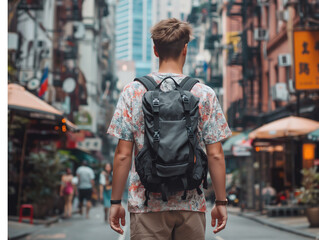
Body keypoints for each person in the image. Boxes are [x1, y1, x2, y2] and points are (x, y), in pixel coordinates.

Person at [107, 18, 231, 239]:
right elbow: (216, 154)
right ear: (185, 49)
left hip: (146, 205)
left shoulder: (132, 92)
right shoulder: (204, 93)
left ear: (155, 50)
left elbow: (123, 155)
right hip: (190, 203)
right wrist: (220, 202)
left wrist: (116, 202)